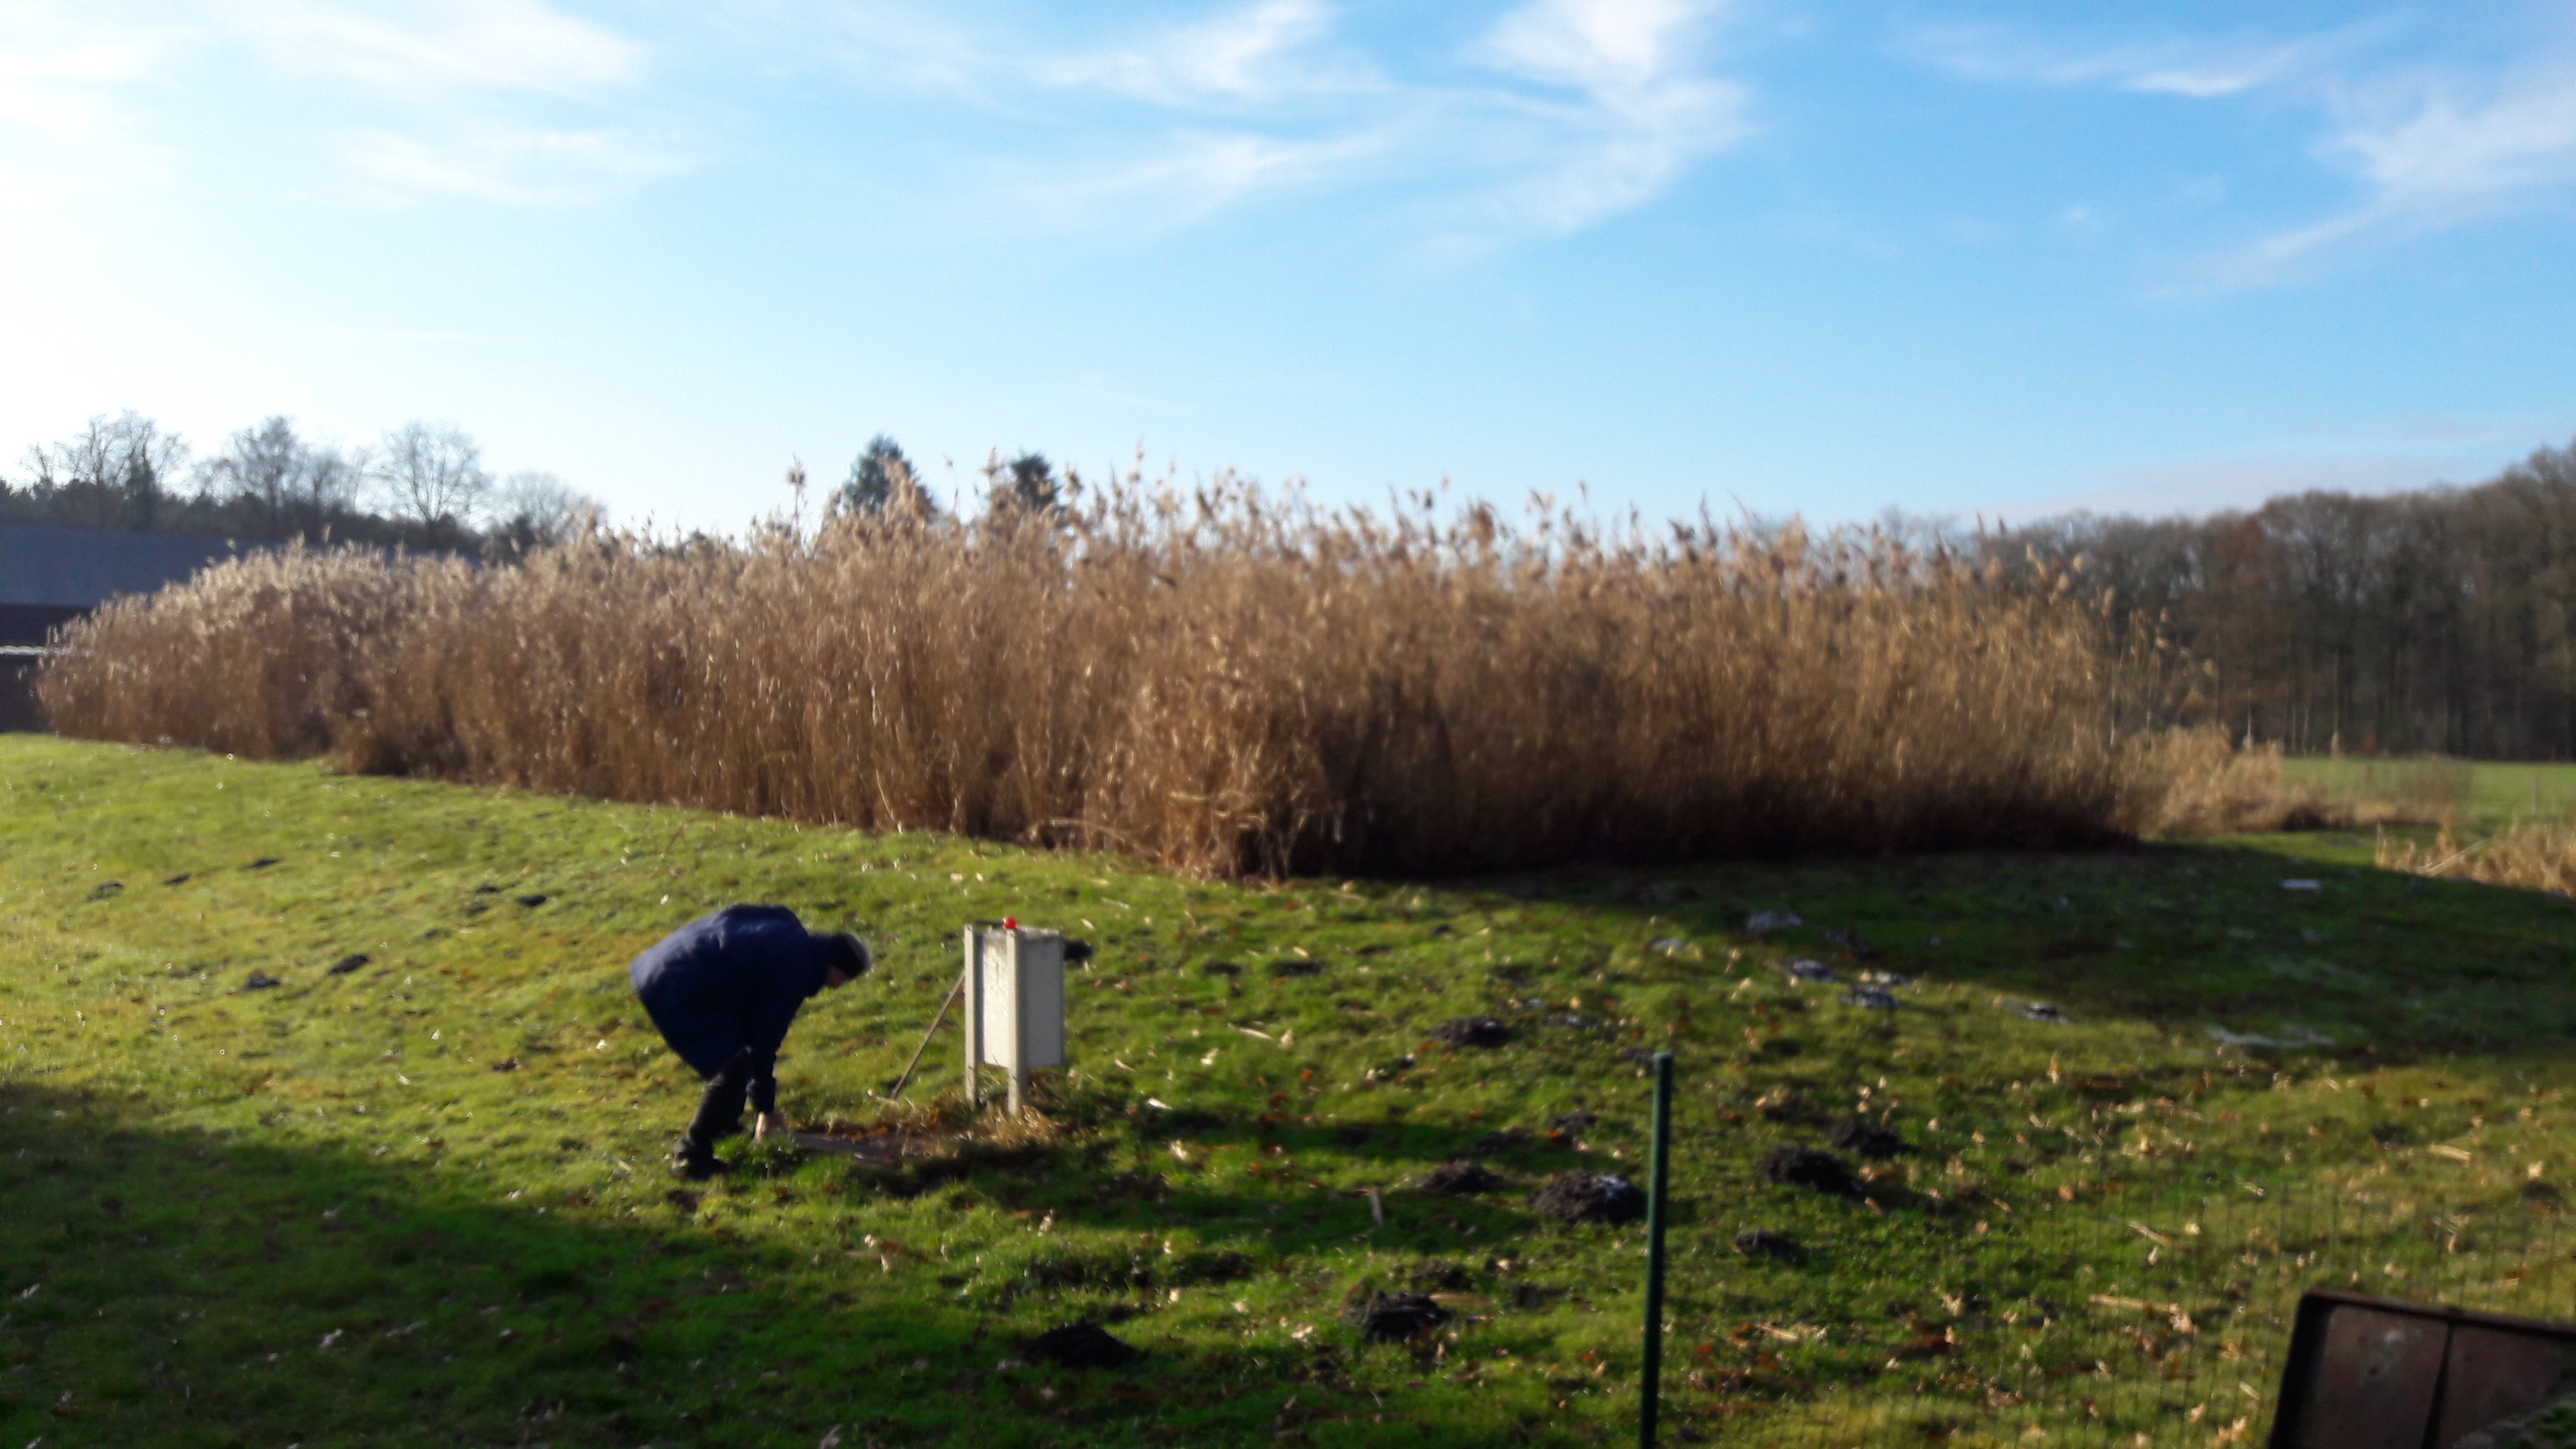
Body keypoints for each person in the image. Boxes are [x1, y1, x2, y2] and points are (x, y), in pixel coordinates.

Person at [630, 904, 872, 1179]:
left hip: (671, 961)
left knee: (738, 1051)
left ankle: (726, 1131)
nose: (838, 987)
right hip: (677, 984)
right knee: (734, 1066)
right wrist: (766, 1109)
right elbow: (765, 1042)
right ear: (837, 970)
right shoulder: (795, 969)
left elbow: (733, 916)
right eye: (844, 980)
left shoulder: (789, 931)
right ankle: (691, 1156)